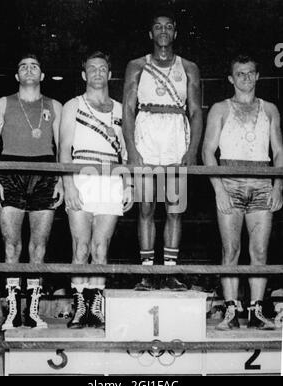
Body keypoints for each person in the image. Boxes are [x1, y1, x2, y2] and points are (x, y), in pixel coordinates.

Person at [122, 9, 202, 290]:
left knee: (174, 208)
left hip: (175, 136)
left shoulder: (188, 67)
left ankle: (169, 271)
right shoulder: (136, 65)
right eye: (158, 27)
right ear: (151, 33)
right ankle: (146, 272)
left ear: (176, 32)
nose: (164, 31)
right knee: (145, 206)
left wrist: (192, 151)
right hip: (146, 132)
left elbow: (195, 110)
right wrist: (132, 149)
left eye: (169, 27)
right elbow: (128, 110)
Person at [202, 54, 283, 330]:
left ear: (258, 76)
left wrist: (277, 185)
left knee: (260, 250)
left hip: (262, 181)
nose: (246, 78)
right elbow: (207, 151)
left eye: (250, 73)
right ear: (231, 78)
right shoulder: (220, 109)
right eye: (240, 74)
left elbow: (280, 151)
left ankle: (257, 310)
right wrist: (218, 189)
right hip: (230, 182)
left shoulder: (270, 109)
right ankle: (231, 310)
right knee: (231, 249)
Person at [0, 53, 63, 330]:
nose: (29, 69)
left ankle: (33, 312)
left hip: (45, 173)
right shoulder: (3, 103)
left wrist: (62, 180)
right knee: (11, 246)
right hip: (10, 171)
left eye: (35, 66)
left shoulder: (55, 106)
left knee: (38, 247)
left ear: (42, 76)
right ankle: (13, 311)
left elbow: (62, 147)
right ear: (17, 76)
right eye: (23, 66)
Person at [60, 51, 131, 329]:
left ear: (110, 74)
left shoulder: (120, 108)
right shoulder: (72, 105)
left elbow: (126, 153)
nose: (98, 73)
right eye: (92, 68)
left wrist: (129, 185)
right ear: (84, 74)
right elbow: (64, 150)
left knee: (101, 248)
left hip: (111, 177)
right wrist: (68, 184)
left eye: (103, 68)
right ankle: (79, 306)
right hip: (81, 175)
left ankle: (96, 305)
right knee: (81, 247)